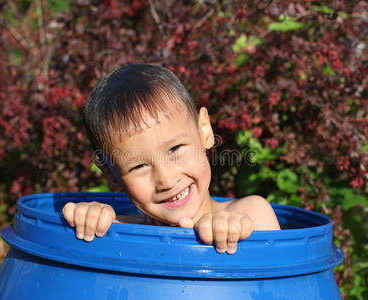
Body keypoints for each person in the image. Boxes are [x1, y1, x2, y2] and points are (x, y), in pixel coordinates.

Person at [63, 63, 280, 254]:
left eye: (175, 148)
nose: (166, 180)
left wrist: (236, 229)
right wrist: (92, 218)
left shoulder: (250, 213)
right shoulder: (121, 228)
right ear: (111, 174)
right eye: (139, 166)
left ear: (204, 130)